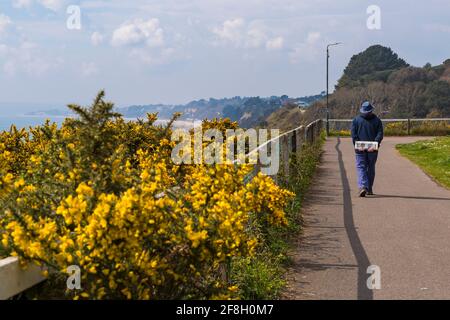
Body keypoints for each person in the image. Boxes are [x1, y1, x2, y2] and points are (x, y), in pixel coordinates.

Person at [351, 101, 384, 197]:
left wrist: (357, 144)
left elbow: (354, 135)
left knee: (361, 167)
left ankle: (363, 186)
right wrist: (376, 143)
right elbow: (380, 134)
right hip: (373, 148)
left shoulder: (356, 120)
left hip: (360, 147)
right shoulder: (377, 120)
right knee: (371, 168)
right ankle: (368, 188)